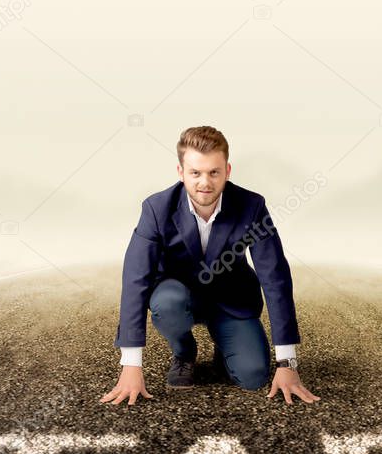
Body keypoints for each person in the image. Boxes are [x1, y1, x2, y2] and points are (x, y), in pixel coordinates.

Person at [100, 125, 321, 407]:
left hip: (231, 298)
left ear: (227, 171)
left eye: (214, 172)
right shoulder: (155, 209)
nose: (205, 182)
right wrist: (131, 365)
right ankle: (184, 352)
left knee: (253, 376)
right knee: (167, 302)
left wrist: (287, 363)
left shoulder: (252, 206)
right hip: (178, 299)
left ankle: (225, 348)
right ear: (181, 173)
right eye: (195, 173)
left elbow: (275, 276)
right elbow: (135, 278)